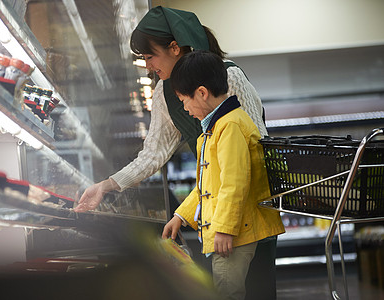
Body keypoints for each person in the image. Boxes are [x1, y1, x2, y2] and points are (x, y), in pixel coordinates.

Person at [74, 6, 277, 299]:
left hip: (252, 209)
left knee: (256, 289)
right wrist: (107, 185)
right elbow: (153, 154)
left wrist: (228, 224)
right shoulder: (163, 93)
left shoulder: (228, 76)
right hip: (216, 213)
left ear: (174, 47)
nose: (147, 66)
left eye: (149, 55)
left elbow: (255, 152)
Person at [162, 50, 285, 300]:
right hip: (231, 230)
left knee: (226, 291)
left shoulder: (229, 126)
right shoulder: (217, 127)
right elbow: (207, 185)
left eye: (184, 100)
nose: (185, 108)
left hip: (235, 233)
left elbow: (234, 184)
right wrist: (181, 216)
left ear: (202, 93)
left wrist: (225, 229)